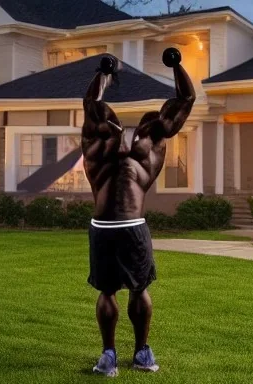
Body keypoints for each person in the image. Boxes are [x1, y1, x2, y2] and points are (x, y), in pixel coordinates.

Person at [81, 48, 195, 377]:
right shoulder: (96, 136)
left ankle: (142, 351)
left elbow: (185, 99)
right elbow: (90, 103)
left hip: (133, 225)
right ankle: (108, 355)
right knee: (106, 291)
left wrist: (177, 65)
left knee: (139, 289)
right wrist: (102, 74)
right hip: (102, 226)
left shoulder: (151, 136)